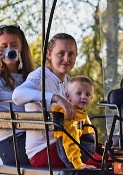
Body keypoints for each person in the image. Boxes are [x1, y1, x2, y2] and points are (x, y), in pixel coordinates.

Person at [10, 33, 79, 167]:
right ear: (49, 54)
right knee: (98, 161)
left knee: (109, 153)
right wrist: (55, 98)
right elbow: (17, 95)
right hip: (44, 149)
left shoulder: (69, 81)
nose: (66, 58)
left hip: (65, 144)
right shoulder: (40, 76)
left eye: (71, 54)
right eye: (61, 54)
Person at [48, 75, 102, 168]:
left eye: (87, 94)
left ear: (91, 99)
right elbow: (70, 140)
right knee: (115, 164)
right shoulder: (72, 116)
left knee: (115, 159)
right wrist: (78, 164)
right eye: (79, 93)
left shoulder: (80, 114)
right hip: (80, 160)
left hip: (86, 155)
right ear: (68, 96)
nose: (84, 97)